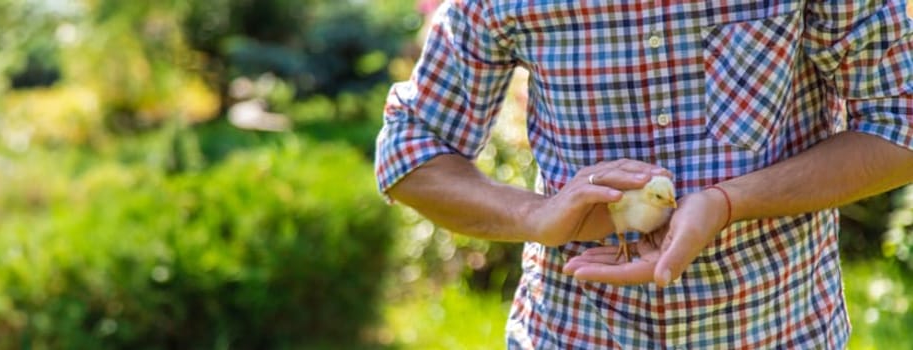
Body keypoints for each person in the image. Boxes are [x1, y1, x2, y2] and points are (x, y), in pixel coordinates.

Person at [375, 0, 913, 347]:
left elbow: (901, 122)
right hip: (573, 333)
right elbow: (411, 150)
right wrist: (537, 215)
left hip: (778, 331)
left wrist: (729, 202)